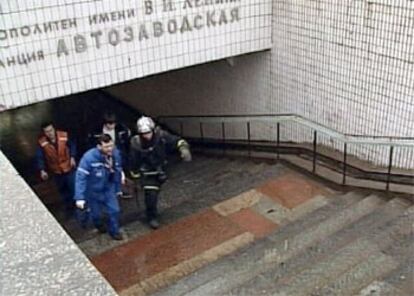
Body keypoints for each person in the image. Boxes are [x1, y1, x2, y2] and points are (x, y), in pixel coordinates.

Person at [129, 116, 192, 229]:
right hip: (148, 172)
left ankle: (151, 211)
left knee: (156, 193)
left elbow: (177, 141)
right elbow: (134, 160)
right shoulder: (136, 143)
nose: (146, 136)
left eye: (148, 133)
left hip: (162, 168)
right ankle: (152, 217)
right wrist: (135, 175)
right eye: (143, 134)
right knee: (151, 196)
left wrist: (183, 149)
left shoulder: (162, 136)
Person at [74, 134, 123, 240]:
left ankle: (114, 231)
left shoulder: (116, 154)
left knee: (114, 210)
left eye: (111, 146)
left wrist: (118, 188)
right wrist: (79, 197)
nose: (110, 149)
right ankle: (99, 225)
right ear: (99, 146)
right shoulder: (88, 158)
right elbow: (80, 177)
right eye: (106, 147)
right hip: (93, 192)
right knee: (95, 215)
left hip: (108, 188)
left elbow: (117, 171)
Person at [36, 122, 76, 217]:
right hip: (56, 171)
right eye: (47, 132)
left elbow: (72, 146)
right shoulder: (42, 143)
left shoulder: (64, 136)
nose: (50, 133)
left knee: (74, 189)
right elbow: (39, 157)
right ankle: (69, 210)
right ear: (44, 133)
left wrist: (72, 157)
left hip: (68, 168)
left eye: (51, 130)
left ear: (54, 129)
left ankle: (79, 209)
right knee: (63, 192)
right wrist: (42, 169)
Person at [88, 111, 131, 197]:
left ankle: (120, 188)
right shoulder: (97, 131)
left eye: (113, 123)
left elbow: (126, 140)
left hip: (116, 151)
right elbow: (91, 142)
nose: (112, 126)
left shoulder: (121, 129)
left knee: (118, 168)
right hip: (102, 153)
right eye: (109, 123)